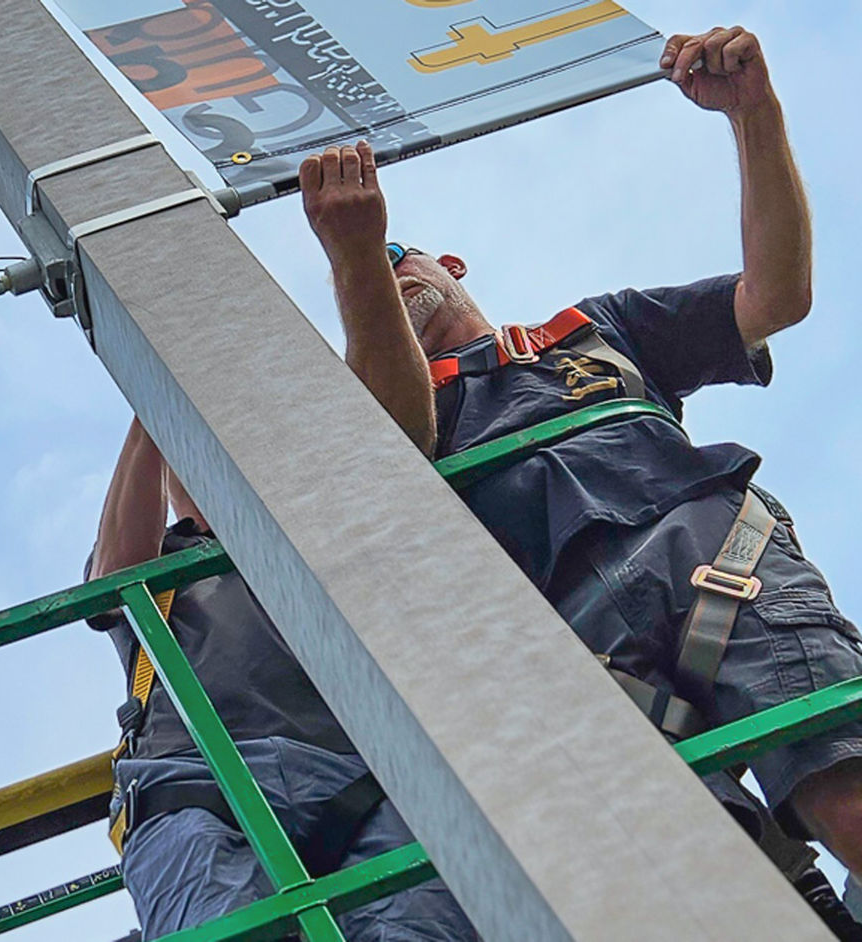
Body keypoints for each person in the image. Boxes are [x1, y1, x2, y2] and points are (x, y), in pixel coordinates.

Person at [299, 25, 862, 928]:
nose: (384, 277)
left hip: (714, 554)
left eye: (401, 259)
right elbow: (399, 439)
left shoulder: (591, 330)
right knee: (717, 899)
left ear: (452, 268)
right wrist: (356, 255)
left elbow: (777, 295)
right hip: (577, 656)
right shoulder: (385, 420)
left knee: (847, 796)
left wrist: (753, 118)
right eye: (360, 286)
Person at [86, 417, 479, 940]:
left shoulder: (309, 535)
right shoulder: (162, 557)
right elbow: (116, 573)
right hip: (195, 782)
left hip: (365, 783)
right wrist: (153, 403)